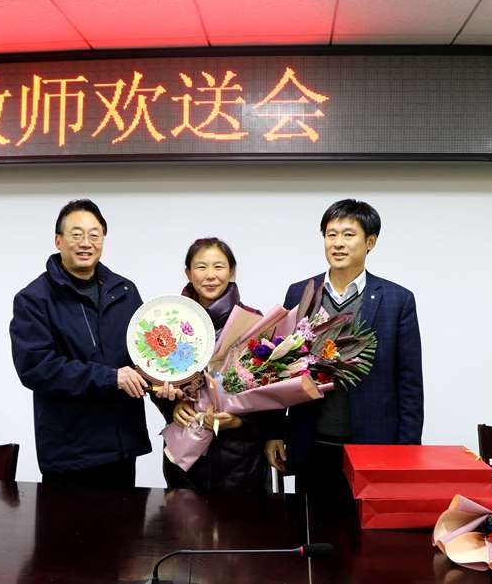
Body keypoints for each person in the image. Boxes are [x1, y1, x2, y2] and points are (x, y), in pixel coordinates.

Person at [264, 199, 423, 495]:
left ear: (370, 242)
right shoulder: (300, 292)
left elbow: (409, 380)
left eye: (348, 235)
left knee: (368, 524)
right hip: (311, 439)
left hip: (373, 444)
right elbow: (277, 368)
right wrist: (274, 431)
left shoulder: (397, 299)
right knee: (312, 522)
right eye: (331, 234)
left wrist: (408, 448)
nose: (337, 243)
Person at [10, 199, 155, 488]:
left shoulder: (124, 290)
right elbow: (36, 368)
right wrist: (111, 377)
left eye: (94, 235)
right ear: (58, 241)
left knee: (125, 520)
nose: (86, 243)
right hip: (70, 454)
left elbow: (144, 355)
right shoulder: (34, 298)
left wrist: (164, 383)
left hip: (122, 447)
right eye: (76, 235)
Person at [163, 237, 270, 492]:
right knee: (183, 517)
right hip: (186, 450)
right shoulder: (171, 322)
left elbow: (272, 389)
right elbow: (155, 376)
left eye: (218, 266)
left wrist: (240, 421)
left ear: (232, 271)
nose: (210, 275)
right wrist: (173, 406)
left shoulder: (253, 322)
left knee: (241, 519)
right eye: (201, 267)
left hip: (240, 459)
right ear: (188, 273)